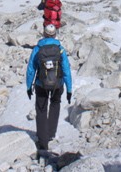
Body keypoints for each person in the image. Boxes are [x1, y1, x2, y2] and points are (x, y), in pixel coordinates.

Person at [26, 23, 73, 151]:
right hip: (58, 83)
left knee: (41, 110)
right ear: (55, 34)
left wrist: (29, 86)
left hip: (41, 84)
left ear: (44, 33)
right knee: (55, 105)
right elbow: (66, 69)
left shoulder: (37, 49)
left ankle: (43, 141)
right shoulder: (60, 49)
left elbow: (31, 68)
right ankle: (51, 133)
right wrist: (69, 89)